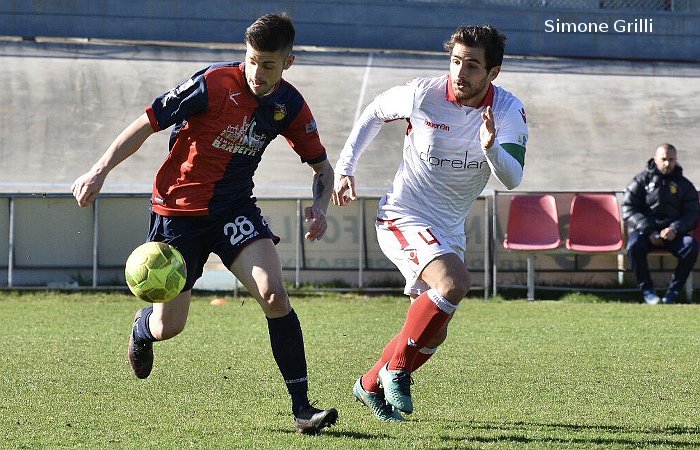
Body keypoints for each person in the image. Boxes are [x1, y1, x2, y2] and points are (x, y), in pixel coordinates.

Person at [71, 13, 338, 434]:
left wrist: (320, 207)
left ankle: (303, 409)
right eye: (251, 60)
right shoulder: (212, 84)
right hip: (177, 215)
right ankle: (142, 329)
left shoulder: (289, 106)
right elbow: (147, 122)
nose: (257, 72)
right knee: (169, 326)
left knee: (274, 296)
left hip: (234, 211)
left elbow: (323, 169)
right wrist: (99, 171)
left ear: (288, 62)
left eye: (268, 64)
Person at [332, 24, 527, 421]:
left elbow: (512, 178)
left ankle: (369, 384)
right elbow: (374, 112)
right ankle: (396, 369)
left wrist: (490, 147)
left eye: (473, 65)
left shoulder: (507, 110)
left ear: (493, 73)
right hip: (403, 214)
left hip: (449, 228)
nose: (460, 73)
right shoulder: (424, 93)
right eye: (456, 61)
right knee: (454, 283)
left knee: (434, 332)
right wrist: (345, 167)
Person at [622, 144, 699, 305]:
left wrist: (674, 229)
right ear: (655, 159)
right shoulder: (641, 181)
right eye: (663, 159)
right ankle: (647, 291)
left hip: (673, 234)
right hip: (646, 232)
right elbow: (628, 208)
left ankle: (674, 290)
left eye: (671, 160)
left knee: (691, 246)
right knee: (634, 246)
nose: (667, 163)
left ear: (676, 160)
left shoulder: (684, 185)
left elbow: (692, 213)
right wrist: (649, 230)